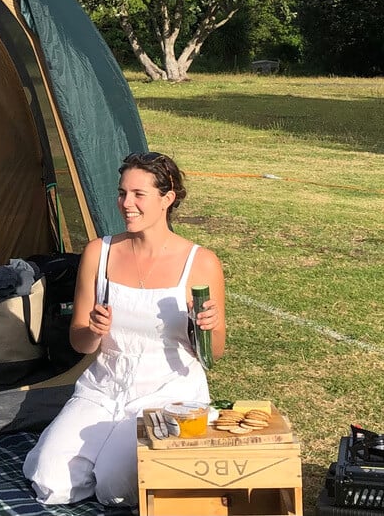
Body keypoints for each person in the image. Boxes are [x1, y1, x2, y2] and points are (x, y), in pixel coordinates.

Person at [23, 151, 227, 506]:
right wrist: (95, 330)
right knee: (49, 483)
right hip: (104, 389)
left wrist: (205, 329)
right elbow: (80, 342)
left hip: (166, 395)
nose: (126, 204)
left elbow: (215, 352)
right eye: (122, 193)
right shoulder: (98, 252)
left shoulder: (201, 262)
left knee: (113, 488)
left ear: (168, 198)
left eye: (138, 195)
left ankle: (121, 463)